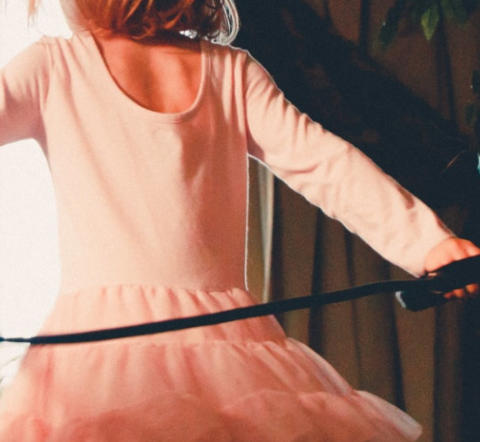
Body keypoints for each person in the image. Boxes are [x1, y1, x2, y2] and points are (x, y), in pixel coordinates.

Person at [0, 0, 478, 440]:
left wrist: (428, 245)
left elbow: (325, 165)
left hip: (96, 357)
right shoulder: (230, 71)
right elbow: (327, 165)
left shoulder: (52, 66)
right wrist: (427, 243)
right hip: (229, 347)